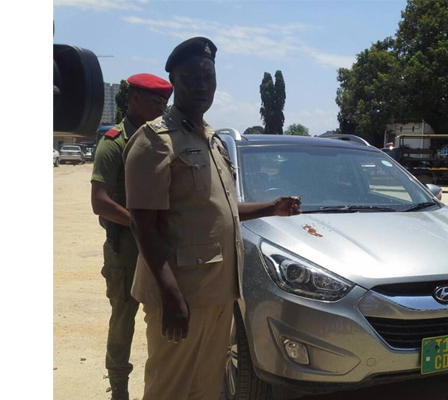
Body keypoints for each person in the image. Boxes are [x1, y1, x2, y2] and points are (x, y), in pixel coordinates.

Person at [123, 37, 302, 400]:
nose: (202, 85)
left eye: (209, 77)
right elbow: (142, 223)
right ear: (174, 81)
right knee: (170, 389)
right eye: (192, 77)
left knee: (206, 388)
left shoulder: (211, 140)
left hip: (218, 292)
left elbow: (218, 208)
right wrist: (170, 294)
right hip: (182, 294)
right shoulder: (155, 141)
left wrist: (271, 207)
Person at [91, 73, 173, 400]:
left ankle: (165, 385)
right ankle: (120, 389)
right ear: (134, 99)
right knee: (123, 320)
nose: (161, 109)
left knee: (166, 316)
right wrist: (141, 226)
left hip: (162, 246)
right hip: (125, 249)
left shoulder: (162, 141)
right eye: (155, 102)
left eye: (164, 103)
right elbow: (100, 202)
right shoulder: (114, 143)